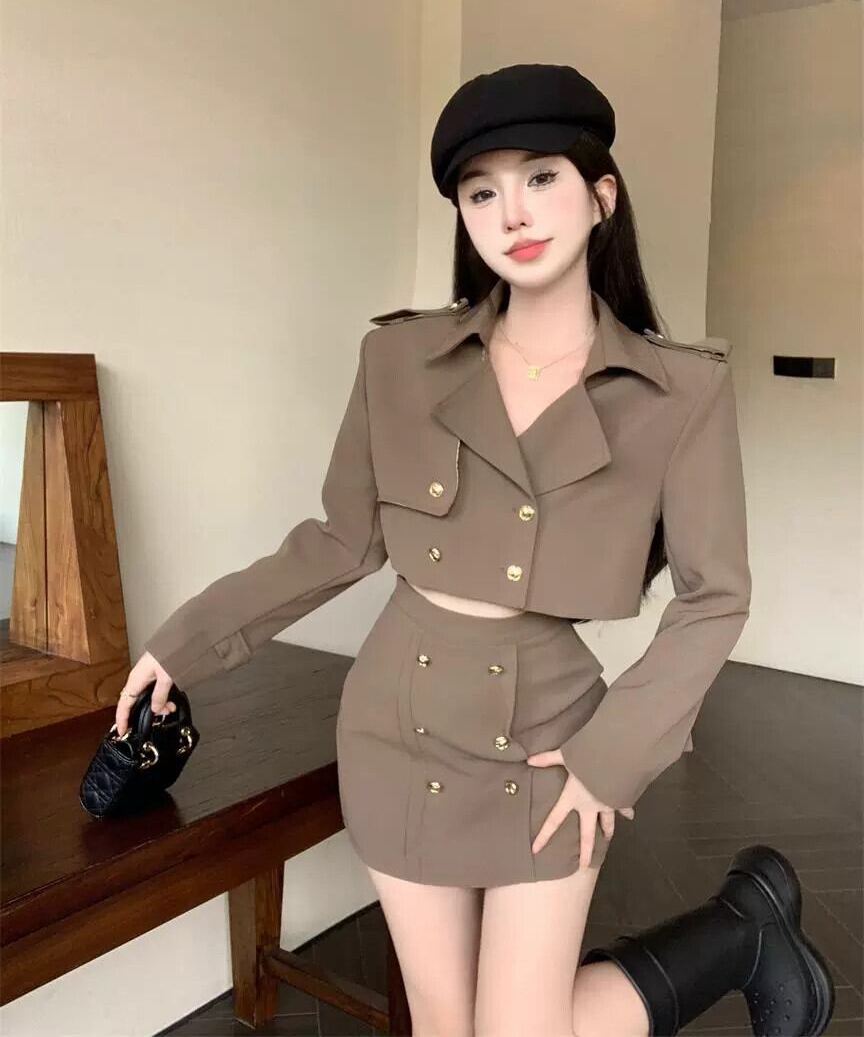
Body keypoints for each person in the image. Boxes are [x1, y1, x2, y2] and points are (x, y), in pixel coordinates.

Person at [114, 64, 833, 1037]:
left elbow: (716, 597)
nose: (513, 213)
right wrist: (185, 643)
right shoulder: (399, 360)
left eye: (540, 177)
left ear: (601, 195)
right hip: (394, 725)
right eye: (481, 192)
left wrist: (612, 756)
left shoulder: (680, 391)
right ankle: (745, 932)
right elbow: (337, 542)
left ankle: (740, 934)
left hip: (549, 738)